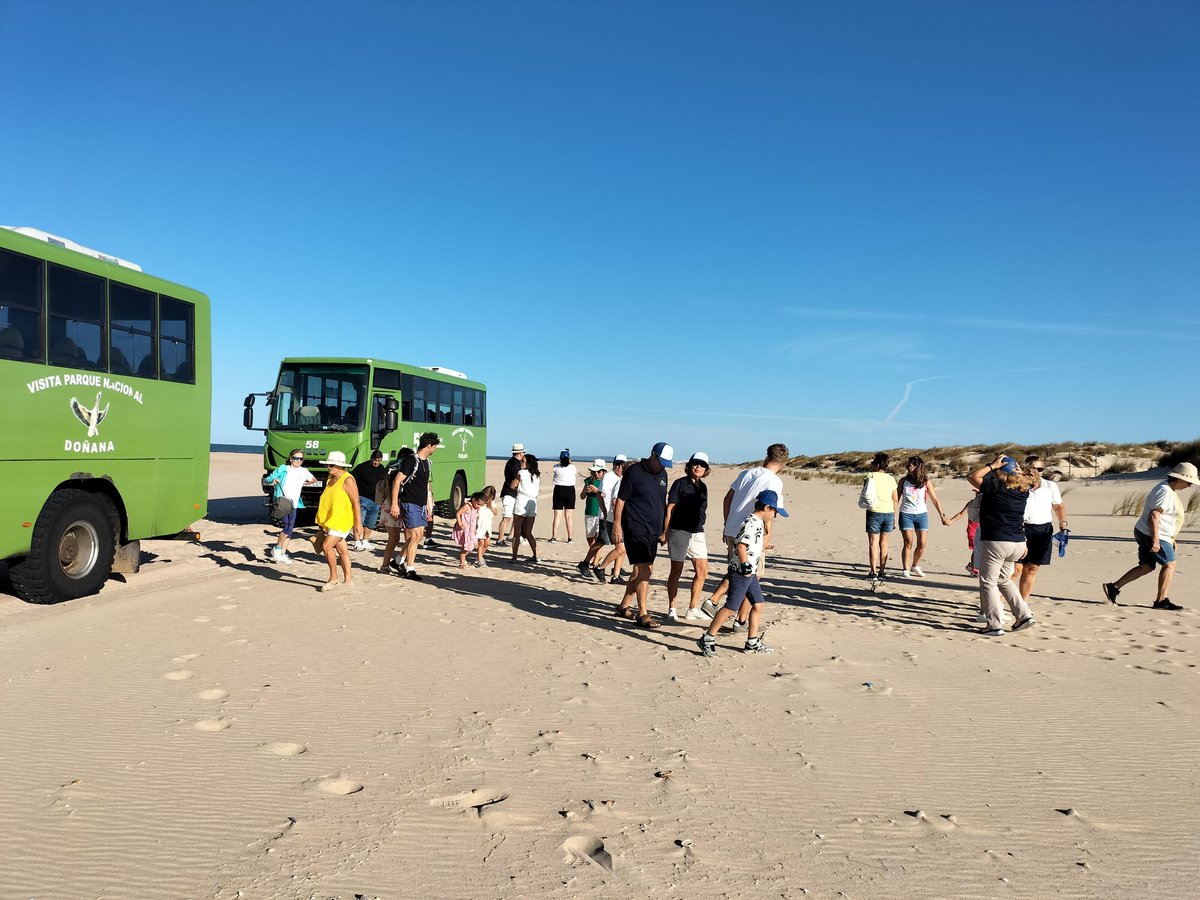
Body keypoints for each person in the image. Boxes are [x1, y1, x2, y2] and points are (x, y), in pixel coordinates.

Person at [701, 443, 789, 623]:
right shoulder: (774, 481)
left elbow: (727, 498)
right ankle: (735, 615)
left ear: (766, 457)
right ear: (784, 463)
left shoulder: (747, 473)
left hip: (733, 528)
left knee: (737, 571)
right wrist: (767, 535)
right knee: (751, 576)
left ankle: (726, 609)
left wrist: (727, 524)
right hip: (752, 533)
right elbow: (769, 512)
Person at [698, 490, 784, 656]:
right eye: (775, 512)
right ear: (767, 508)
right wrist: (745, 566)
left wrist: (763, 546)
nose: (775, 516)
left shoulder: (758, 522)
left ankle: (752, 642)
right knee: (731, 608)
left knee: (758, 605)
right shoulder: (751, 522)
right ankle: (707, 638)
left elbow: (751, 544)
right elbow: (741, 546)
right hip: (741, 572)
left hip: (750, 573)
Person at [1103, 462, 1198, 610]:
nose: (1190, 486)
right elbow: (1154, 515)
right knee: (1170, 565)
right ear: (1179, 479)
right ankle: (1161, 601)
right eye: (1189, 482)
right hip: (1152, 533)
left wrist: (1171, 537)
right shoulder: (1165, 491)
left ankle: (1113, 587)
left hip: (1148, 532)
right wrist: (1156, 539)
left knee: (1146, 566)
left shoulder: (1168, 489)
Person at [967, 454, 1038, 635]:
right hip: (1018, 543)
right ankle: (1024, 615)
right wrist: (1018, 471)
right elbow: (1033, 480)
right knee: (1003, 580)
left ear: (1000, 472)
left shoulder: (995, 487)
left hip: (997, 541)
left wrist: (992, 465)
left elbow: (973, 477)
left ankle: (994, 624)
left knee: (988, 582)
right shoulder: (1024, 491)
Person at [614, 442, 673, 629]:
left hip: (654, 530)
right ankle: (643, 613)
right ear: (652, 455)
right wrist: (616, 524)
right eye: (661, 461)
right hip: (635, 526)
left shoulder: (663, 474)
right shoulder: (634, 471)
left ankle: (623, 606)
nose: (663, 465)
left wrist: (665, 530)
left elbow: (661, 502)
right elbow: (621, 499)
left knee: (640, 571)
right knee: (645, 570)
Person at [1011, 455, 1068, 602]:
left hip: (1043, 531)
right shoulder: (1017, 485)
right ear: (1026, 468)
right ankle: (999, 604)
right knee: (1014, 570)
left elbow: (1058, 506)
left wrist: (1063, 523)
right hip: (1020, 529)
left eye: (1040, 469)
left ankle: (1022, 605)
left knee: (1032, 569)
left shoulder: (1050, 486)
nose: (1037, 472)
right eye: (1034, 468)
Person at [663, 452, 711, 622]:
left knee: (703, 571)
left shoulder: (703, 487)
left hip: (697, 531)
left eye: (702, 465)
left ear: (706, 469)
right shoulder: (679, 484)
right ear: (690, 465)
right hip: (679, 530)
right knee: (677, 570)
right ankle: (672, 608)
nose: (698, 467)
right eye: (695, 464)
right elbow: (670, 509)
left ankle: (692, 608)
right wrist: (665, 531)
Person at [389, 432, 439, 581]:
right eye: (435, 446)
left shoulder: (427, 462)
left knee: (417, 536)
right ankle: (410, 569)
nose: (435, 449)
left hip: (421, 504)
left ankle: (397, 561)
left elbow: (426, 487)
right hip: (409, 502)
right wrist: (394, 504)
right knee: (416, 536)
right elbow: (397, 481)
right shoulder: (411, 461)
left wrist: (429, 504)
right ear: (429, 446)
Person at [313, 450, 363, 592]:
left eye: (332, 465)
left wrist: (358, 523)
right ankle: (348, 580)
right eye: (328, 465)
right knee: (342, 550)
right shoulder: (330, 478)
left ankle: (333, 578)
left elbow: (356, 502)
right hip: (331, 519)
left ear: (340, 466)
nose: (329, 467)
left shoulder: (348, 480)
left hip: (342, 520)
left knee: (327, 546)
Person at [265, 447, 317, 564]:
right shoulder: (284, 469)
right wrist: (274, 481)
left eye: (301, 459)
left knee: (290, 528)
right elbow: (267, 479)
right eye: (295, 458)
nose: (298, 461)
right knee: (286, 525)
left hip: (294, 503)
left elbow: (314, 479)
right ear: (290, 458)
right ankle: (277, 548)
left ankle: (282, 553)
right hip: (283, 502)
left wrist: (304, 483)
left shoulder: (303, 471)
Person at [897, 455, 947, 578]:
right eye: (908, 464)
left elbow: (935, 500)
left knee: (922, 543)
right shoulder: (903, 481)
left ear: (917, 467)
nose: (909, 467)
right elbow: (896, 499)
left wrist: (942, 515)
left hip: (921, 515)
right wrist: (892, 514)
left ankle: (915, 565)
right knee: (908, 542)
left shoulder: (926, 482)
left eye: (911, 465)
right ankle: (905, 569)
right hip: (906, 513)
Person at [862, 452, 899, 589]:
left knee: (873, 543)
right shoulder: (891, 479)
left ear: (877, 464)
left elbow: (866, 492)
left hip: (874, 511)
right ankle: (882, 571)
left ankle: (873, 572)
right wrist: (895, 514)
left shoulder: (870, 475)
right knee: (884, 544)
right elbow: (895, 498)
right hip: (889, 512)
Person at [593, 455, 627, 583]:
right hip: (613, 518)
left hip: (620, 519)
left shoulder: (623, 479)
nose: (619, 467)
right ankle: (600, 567)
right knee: (618, 548)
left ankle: (616, 576)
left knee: (622, 550)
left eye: (622, 464)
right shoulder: (612, 479)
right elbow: (609, 499)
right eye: (617, 464)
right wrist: (605, 512)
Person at [378, 447, 411, 573]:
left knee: (393, 538)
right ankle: (400, 562)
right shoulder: (403, 469)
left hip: (388, 504)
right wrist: (395, 504)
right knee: (411, 536)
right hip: (398, 504)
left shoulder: (391, 466)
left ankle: (388, 564)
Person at [350, 450, 387, 551]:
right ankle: (357, 542)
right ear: (371, 458)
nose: (377, 463)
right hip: (362, 498)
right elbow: (351, 479)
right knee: (359, 521)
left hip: (376, 501)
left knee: (371, 522)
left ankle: (365, 541)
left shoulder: (381, 468)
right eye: (375, 460)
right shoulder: (362, 467)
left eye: (379, 461)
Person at [577, 460, 607, 578]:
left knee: (600, 539)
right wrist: (586, 491)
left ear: (603, 471)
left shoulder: (606, 481)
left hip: (600, 512)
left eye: (598, 472)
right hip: (589, 511)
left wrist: (597, 491)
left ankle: (594, 563)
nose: (596, 474)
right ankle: (595, 558)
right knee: (590, 538)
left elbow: (608, 496)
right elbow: (582, 496)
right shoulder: (588, 481)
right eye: (593, 472)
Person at [511, 453, 541, 563]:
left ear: (528, 463)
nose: (521, 463)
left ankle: (514, 557)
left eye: (523, 461)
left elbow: (513, 485)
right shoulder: (537, 475)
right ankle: (536, 554)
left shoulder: (521, 473)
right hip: (533, 503)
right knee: (528, 532)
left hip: (522, 501)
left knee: (517, 532)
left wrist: (515, 486)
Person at [945, 488, 982, 576]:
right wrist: (951, 521)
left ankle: (971, 566)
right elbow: (961, 514)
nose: (977, 494)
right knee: (976, 549)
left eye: (979, 493)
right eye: (976, 493)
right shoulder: (971, 503)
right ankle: (974, 569)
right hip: (973, 528)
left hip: (984, 528)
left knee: (981, 549)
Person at [495, 443, 526, 546]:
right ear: (521, 453)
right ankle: (500, 539)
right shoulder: (514, 464)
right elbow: (516, 479)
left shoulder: (513, 462)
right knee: (507, 517)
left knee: (516, 515)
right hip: (509, 493)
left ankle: (511, 535)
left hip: (513, 493)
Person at [550, 450, 578, 543]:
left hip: (559, 490)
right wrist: (569, 461)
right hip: (570, 490)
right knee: (569, 516)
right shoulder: (573, 467)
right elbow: (570, 464)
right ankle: (570, 537)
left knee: (557, 515)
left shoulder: (556, 467)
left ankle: (554, 536)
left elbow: (558, 465)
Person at [453, 493, 483, 568]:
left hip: (471, 530)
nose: (479, 506)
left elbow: (474, 519)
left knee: (473, 545)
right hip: (465, 529)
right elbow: (458, 513)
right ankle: (462, 562)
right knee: (467, 546)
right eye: (478, 504)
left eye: (480, 505)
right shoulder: (467, 506)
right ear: (473, 500)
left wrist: (475, 528)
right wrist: (460, 523)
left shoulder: (475, 508)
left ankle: (462, 557)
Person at [475, 485, 497, 567]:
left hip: (488, 525)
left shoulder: (492, 503)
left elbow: (496, 513)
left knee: (487, 543)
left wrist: (491, 507)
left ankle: (479, 557)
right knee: (481, 543)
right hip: (480, 525)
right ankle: (479, 560)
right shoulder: (480, 503)